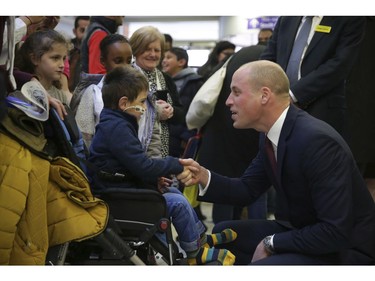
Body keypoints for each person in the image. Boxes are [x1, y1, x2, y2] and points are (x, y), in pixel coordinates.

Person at [179, 60, 375, 265]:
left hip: (345, 248)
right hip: (305, 230)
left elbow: (335, 230)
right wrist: (203, 176)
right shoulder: (271, 135)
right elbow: (246, 189)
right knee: (224, 233)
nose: (228, 101)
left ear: (264, 95)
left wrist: (272, 242)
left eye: (236, 92)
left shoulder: (316, 142)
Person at [88, 65, 236, 265]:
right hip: (117, 197)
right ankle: (194, 251)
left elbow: (128, 166)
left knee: (174, 193)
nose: (144, 108)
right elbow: (142, 165)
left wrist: (153, 179)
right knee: (178, 203)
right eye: (141, 102)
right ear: (124, 103)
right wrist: (174, 164)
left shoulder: (116, 123)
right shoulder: (117, 128)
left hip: (121, 188)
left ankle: (199, 238)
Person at [194, 42, 269, 224]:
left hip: (221, 139)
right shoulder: (266, 64)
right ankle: (256, 240)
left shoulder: (234, 60)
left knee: (225, 194)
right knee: (257, 191)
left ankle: (224, 240)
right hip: (250, 137)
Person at [260, 16, 366, 142]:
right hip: (277, 109)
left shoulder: (348, 18)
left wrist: (293, 95)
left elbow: (340, 64)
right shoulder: (287, 18)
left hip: (320, 110)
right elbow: (268, 57)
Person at [129, 26, 184, 159]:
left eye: (157, 50)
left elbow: (181, 113)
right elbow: (122, 111)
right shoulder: (126, 76)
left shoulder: (165, 79)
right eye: (147, 49)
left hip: (164, 154)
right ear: (136, 50)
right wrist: (154, 112)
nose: (153, 54)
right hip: (133, 151)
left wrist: (171, 111)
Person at [73, 33, 132, 148]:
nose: (125, 67)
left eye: (129, 61)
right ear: (103, 61)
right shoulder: (93, 93)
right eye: (118, 61)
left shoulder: (139, 91)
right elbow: (84, 136)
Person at [162, 47, 204, 157]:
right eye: (164, 57)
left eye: (169, 57)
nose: (164, 60)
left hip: (182, 141)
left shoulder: (195, 82)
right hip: (168, 139)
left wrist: (186, 137)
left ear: (181, 62)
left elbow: (197, 113)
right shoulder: (164, 81)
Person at [15, 29, 70, 105]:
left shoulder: (60, 95)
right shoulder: (23, 91)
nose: (62, 65)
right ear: (34, 59)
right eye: (55, 58)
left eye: (63, 59)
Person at [68, 16, 90, 91]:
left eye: (88, 31)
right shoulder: (66, 47)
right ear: (74, 31)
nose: (86, 35)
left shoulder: (94, 49)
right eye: (82, 30)